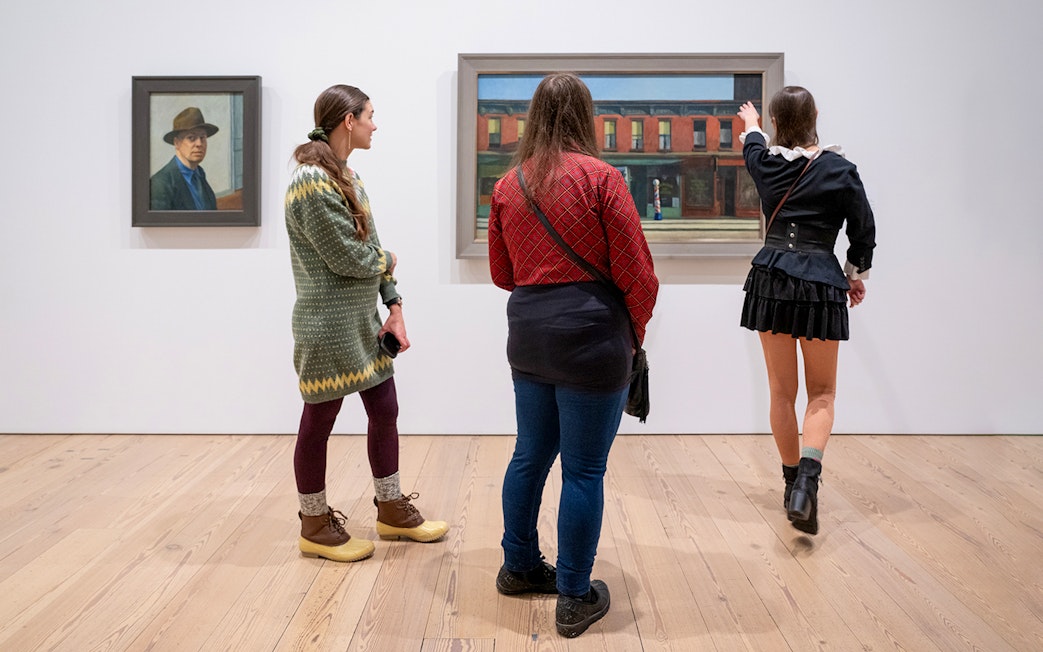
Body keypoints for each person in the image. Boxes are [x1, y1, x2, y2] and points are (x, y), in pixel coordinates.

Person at [487, 73, 658, 638]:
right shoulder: (602, 179)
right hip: (591, 338)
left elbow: (502, 273)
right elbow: (637, 272)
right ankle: (574, 594)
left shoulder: (508, 185)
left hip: (529, 336)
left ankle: (518, 567)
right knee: (584, 470)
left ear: (534, 116)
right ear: (586, 116)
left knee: (529, 456)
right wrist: (632, 334)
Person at [284, 84, 448, 563]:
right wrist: (389, 259)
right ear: (348, 121)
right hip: (326, 329)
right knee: (319, 421)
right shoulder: (310, 183)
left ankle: (391, 509)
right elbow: (348, 257)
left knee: (385, 408)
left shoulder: (349, 177)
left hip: (362, 323)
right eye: (370, 116)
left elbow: (369, 248)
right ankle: (314, 524)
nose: (375, 125)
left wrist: (393, 304)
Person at [737, 86, 876, 536]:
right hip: (820, 282)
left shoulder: (766, 164)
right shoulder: (840, 170)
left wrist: (753, 123)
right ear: (816, 113)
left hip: (772, 279)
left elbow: (753, 144)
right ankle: (807, 486)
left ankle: (790, 483)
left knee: (781, 394)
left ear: (777, 122)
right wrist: (854, 274)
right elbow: (864, 231)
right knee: (822, 393)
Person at [150, 107, 219, 210]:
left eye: (202, 138)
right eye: (191, 138)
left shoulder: (200, 174)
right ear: (177, 143)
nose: (199, 144)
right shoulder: (160, 183)